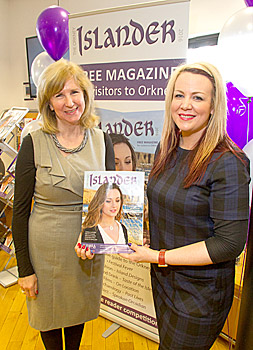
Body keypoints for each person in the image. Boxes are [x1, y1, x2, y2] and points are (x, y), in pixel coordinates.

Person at [120, 62, 250, 350]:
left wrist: (159, 257)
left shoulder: (228, 162)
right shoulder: (167, 147)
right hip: (164, 283)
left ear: (214, 106)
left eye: (198, 97)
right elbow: (171, 210)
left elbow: (229, 244)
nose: (185, 105)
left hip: (200, 295)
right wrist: (149, 238)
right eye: (179, 95)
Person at [12, 59, 115, 350]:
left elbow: (108, 200)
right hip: (45, 251)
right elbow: (19, 212)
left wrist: (104, 237)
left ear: (85, 95)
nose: (69, 102)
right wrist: (24, 269)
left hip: (86, 249)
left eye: (75, 92)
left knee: (77, 312)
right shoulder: (33, 142)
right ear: (49, 103)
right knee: (49, 317)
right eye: (59, 95)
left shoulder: (102, 140)